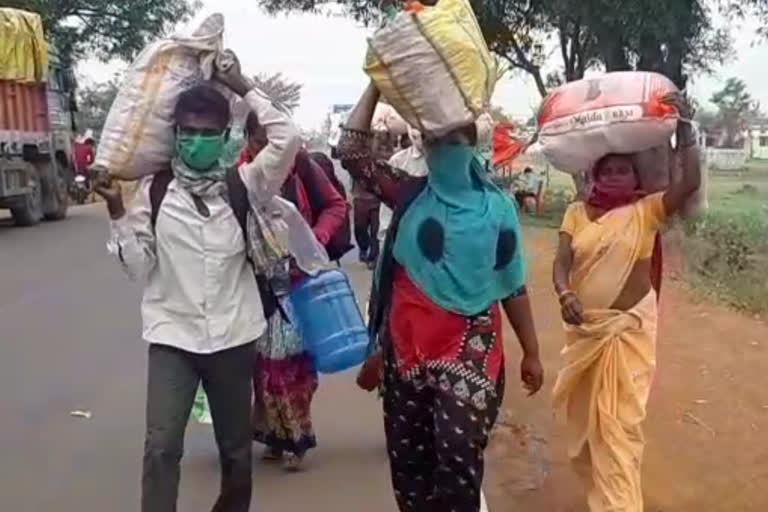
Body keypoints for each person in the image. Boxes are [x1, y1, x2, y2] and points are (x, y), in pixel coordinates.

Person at [95, 61, 300, 511]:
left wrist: (242, 84)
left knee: (235, 451)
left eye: (208, 133)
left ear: (225, 136)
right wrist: (116, 214)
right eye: (188, 132)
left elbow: (288, 137)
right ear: (176, 135)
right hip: (173, 336)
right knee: (161, 446)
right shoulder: (153, 191)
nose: (196, 140)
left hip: (233, 335)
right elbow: (137, 267)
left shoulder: (244, 184)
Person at [339, 82, 544, 512]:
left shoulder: (497, 208)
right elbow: (353, 154)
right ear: (423, 147)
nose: (444, 149)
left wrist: (531, 352)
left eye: (454, 141)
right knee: (411, 471)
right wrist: (377, 85)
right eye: (434, 141)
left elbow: (513, 284)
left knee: (458, 452)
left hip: (471, 345)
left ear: (472, 145)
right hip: (407, 350)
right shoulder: (409, 194)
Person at [551, 93, 700, 512]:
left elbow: (687, 184)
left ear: (634, 176)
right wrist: (564, 294)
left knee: (620, 425)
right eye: (609, 169)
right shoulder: (576, 214)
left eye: (623, 169)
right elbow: (560, 265)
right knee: (587, 429)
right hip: (587, 336)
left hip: (628, 335)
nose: (616, 175)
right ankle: (605, 496)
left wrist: (685, 129)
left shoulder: (645, 211)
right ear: (595, 173)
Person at [238, 113, 348, 470]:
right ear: (246, 141)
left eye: (275, 145)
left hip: (299, 284)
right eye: (259, 144)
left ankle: (297, 437)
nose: (268, 153)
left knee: (293, 366)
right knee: (262, 367)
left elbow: (335, 206)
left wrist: (314, 238)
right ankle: (274, 433)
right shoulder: (238, 176)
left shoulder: (299, 165)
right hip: (253, 287)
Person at [378, 126, 428, 244]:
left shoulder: (448, 161)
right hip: (403, 237)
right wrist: (385, 235)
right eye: (413, 126)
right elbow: (388, 203)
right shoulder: (398, 161)